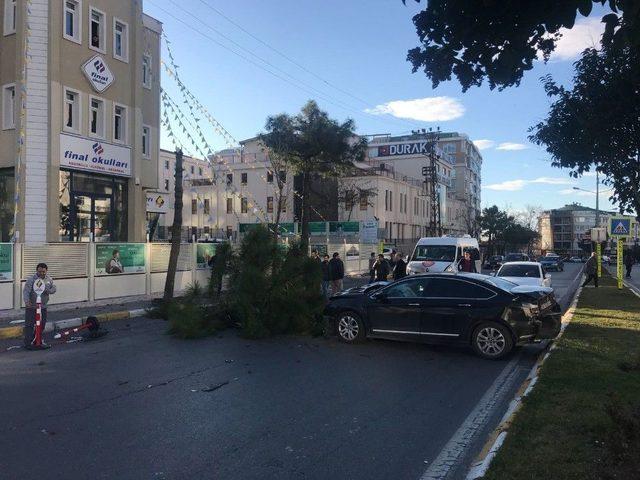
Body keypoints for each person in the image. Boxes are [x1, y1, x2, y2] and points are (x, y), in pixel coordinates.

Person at [23, 263, 56, 348]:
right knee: (29, 325)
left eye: (43, 271)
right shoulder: (31, 279)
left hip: (43, 307)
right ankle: (28, 343)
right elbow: (26, 291)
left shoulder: (49, 279)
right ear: (36, 270)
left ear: (46, 271)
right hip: (32, 307)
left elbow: (54, 289)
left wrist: (48, 290)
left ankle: (37, 340)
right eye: (40, 271)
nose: (41, 273)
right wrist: (27, 302)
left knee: (42, 325)